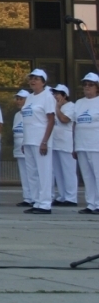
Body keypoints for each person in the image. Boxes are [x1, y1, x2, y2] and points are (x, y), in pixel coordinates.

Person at [21, 69, 56, 214]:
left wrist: (45, 141)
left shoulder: (47, 96)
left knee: (44, 173)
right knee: (32, 173)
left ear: (43, 82)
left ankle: (45, 203)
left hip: (41, 140)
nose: (33, 81)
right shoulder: (29, 97)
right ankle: (36, 201)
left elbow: (51, 120)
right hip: (29, 140)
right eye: (31, 78)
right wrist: (24, 141)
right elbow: (27, 120)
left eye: (36, 79)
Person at [74, 73, 99, 215]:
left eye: (91, 85)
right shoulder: (79, 103)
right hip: (81, 144)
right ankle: (91, 204)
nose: (87, 87)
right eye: (85, 84)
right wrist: (74, 145)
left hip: (96, 144)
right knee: (87, 176)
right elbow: (74, 124)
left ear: (97, 87)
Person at [51, 84, 78, 207]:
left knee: (68, 171)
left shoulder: (71, 106)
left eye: (58, 94)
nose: (55, 96)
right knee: (58, 172)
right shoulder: (53, 106)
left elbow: (64, 119)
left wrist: (57, 108)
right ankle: (62, 196)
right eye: (54, 93)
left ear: (65, 95)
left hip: (67, 144)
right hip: (55, 143)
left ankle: (71, 197)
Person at [11, 89, 32, 208]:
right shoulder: (16, 115)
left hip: (28, 147)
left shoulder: (30, 113)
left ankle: (34, 197)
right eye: (17, 99)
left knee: (31, 173)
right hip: (18, 148)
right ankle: (27, 197)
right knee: (24, 174)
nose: (18, 101)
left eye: (21, 99)